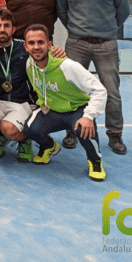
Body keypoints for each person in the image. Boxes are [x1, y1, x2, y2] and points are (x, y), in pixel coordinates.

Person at [57, 0, 130, 155]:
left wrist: (107, 30)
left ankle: (115, 135)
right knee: (72, 88)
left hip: (106, 45)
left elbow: (123, 10)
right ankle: (72, 131)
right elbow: (62, 12)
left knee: (111, 91)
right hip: (76, 44)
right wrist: (77, 31)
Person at [22, 24, 108, 181]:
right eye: (31, 43)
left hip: (76, 110)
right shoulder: (30, 65)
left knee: (84, 128)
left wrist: (89, 116)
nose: (36, 47)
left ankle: (95, 160)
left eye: (41, 42)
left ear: (49, 45)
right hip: (52, 110)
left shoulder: (67, 66)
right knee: (29, 128)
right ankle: (49, 147)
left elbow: (99, 90)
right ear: (26, 47)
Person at [0, 8, 38, 162]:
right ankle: (0, 136)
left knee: (8, 128)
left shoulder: (25, 48)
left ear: (13, 29)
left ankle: (24, 139)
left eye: (6, 25)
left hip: (22, 103)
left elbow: (44, 51)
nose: (2, 29)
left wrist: (56, 50)